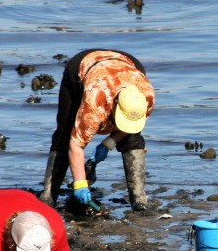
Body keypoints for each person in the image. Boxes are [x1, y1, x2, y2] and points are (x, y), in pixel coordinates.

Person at [39, 49, 155, 211]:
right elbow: (76, 145)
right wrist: (80, 184)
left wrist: (108, 143)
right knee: (65, 134)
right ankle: (49, 195)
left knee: (132, 137)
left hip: (128, 63)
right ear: (113, 107)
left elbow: (132, 125)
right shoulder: (95, 103)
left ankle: (139, 199)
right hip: (84, 66)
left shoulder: (145, 97)